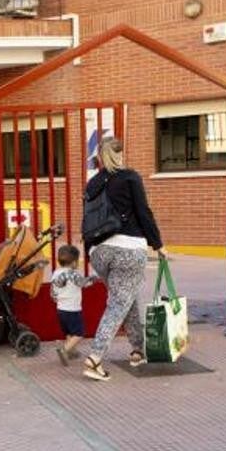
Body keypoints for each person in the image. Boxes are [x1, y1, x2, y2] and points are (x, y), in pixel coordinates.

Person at [82, 137, 164, 382]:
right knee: (118, 303)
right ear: (120, 154)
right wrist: (157, 244)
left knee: (125, 297)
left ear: (100, 156)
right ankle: (94, 358)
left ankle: (138, 349)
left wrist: (89, 251)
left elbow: (86, 218)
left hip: (100, 252)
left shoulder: (93, 182)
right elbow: (143, 211)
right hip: (128, 248)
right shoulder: (130, 177)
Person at [50, 243, 98, 365]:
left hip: (60, 309)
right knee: (79, 333)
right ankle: (65, 350)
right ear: (74, 262)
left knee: (69, 332)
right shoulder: (74, 274)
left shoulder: (56, 273)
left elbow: (52, 290)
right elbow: (84, 283)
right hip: (73, 309)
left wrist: (55, 298)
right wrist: (94, 278)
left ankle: (72, 351)